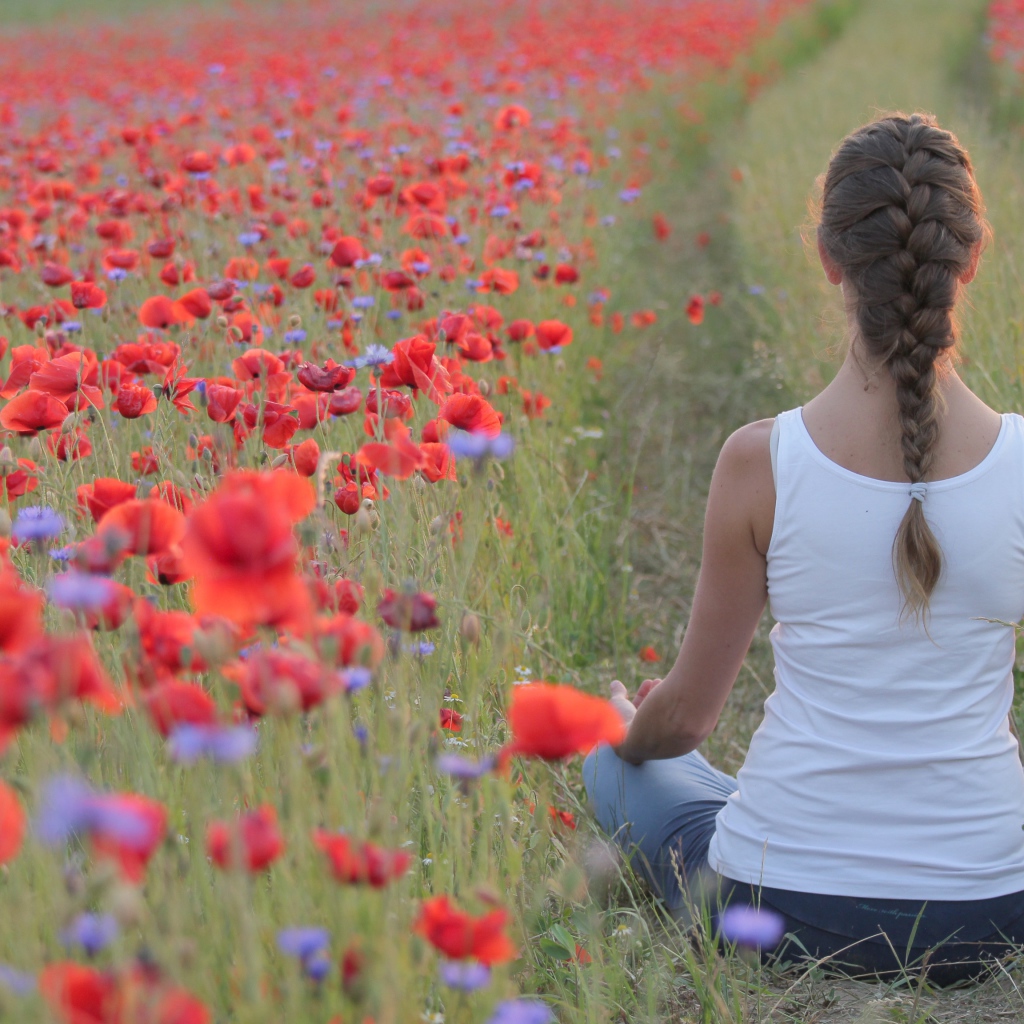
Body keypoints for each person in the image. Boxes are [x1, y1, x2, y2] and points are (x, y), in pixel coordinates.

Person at [583, 111, 1024, 987]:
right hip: (993, 911)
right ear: (970, 259)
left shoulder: (761, 461)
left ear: (829, 258)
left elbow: (686, 722)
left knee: (616, 759)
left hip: (776, 903)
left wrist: (628, 726)